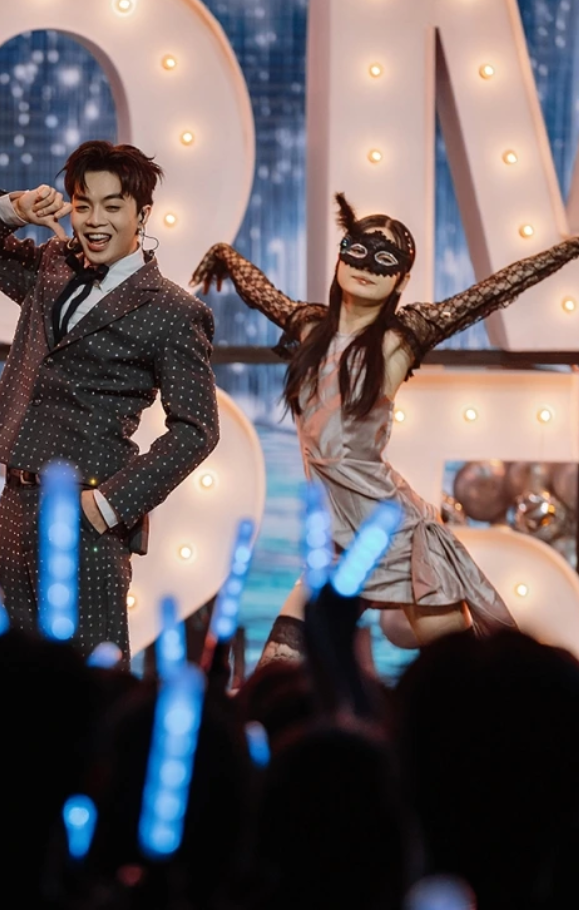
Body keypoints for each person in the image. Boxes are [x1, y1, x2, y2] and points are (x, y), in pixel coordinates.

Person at [191, 194, 579, 662]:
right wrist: (224, 254)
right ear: (340, 258)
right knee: (280, 662)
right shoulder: (311, 329)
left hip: (392, 535)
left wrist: (569, 248)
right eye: (357, 250)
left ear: (401, 279)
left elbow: (491, 291)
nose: (367, 266)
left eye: (385, 259)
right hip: (337, 540)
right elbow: (262, 293)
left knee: (462, 671)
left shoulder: (399, 339)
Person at [0, 140, 220, 662]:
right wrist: (15, 208)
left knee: (90, 679)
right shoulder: (51, 266)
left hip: (85, 512)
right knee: (9, 671)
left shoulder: (173, 311)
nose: (95, 220)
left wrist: (108, 506)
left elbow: (197, 430)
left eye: (112, 206)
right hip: (17, 500)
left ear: (142, 213)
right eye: (83, 203)